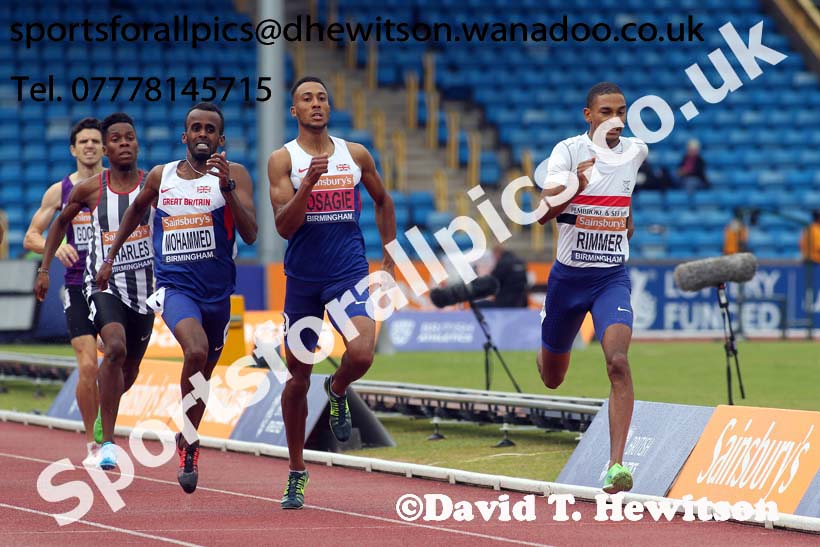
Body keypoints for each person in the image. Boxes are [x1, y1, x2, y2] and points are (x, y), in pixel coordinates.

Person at [96, 102, 258, 494]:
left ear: (221, 139)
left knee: (202, 377)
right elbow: (134, 212)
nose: (202, 134)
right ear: (184, 136)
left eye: (210, 129)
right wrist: (110, 258)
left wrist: (228, 190)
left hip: (218, 293)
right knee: (196, 351)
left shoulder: (234, 175)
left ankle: (187, 438)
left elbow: (251, 234)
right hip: (175, 288)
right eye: (195, 128)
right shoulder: (161, 175)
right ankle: (186, 438)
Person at [267, 76, 396, 509]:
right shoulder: (282, 159)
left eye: (322, 97)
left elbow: (383, 201)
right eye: (306, 99)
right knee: (297, 379)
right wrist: (307, 185)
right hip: (303, 282)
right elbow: (284, 227)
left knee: (361, 354)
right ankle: (296, 471)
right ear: (294, 111)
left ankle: (338, 389)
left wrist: (390, 257)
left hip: (348, 273)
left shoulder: (354, 154)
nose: (316, 104)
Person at [535, 82, 647, 494]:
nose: (614, 120)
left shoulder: (636, 150)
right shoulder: (566, 153)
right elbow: (542, 215)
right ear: (588, 115)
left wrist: (625, 215)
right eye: (605, 112)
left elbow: (625, 186)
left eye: (621, 111)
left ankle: (616, 466)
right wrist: (576, 187)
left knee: (617, 361)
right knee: (551, 378)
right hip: (567, 280)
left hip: (610, 278)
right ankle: (546, 341)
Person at [34, 113, 155, 471]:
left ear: (136, 143)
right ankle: (107, 443)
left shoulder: (153, 184)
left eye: (129, 138)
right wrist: (44, 269)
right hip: (102, 284)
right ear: (106, 148)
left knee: (128, 371)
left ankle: (104, 412)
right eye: (115, 139)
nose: (123, 144)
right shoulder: (91, 189)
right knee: (113, 348)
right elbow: (58, 225)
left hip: (145, 291)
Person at [23, 118, 104, 464]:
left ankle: (108, 415)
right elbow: (31, 236)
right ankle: (94, 443)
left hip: (114, 284)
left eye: (95, 141)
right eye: (83, 141)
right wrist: (53, 248)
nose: (89, 146)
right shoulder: (60, 191)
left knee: (120, 359)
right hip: (75, 285)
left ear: (104, 148)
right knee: (87, 366)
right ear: (73, 149)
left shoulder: (118, 185)